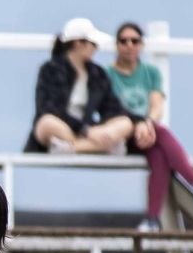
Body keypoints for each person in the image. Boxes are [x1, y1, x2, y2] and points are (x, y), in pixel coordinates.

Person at [106, 22, 193, 230]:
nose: (129, 45)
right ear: (116, 45)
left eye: (134, 41)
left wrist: (147, 125)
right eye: (124, 41)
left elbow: (156, 105)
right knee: (162, 134)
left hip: (148, 133)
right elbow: (110, 110)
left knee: (160, 155)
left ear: (141, 45)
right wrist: (140, 125)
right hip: (121, 132)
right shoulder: (107, 74)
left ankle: (152, 219)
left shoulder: (150, 72)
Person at [25, 18, 132, 156]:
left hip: (89, 131)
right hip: (63, 129)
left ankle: (73, 148)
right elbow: (49, 109)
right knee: (47, 122)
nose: (96, 48)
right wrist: (85, 130)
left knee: (124, 123)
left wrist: (138, 120)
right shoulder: (50, 70)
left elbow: (113, 108)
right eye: (93, 43)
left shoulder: (97, 74)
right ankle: (100, 147)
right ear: (78, 43)